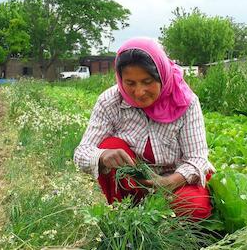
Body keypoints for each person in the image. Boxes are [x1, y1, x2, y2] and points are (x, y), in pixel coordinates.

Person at [74, 37, 215, 220]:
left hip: (174, 183)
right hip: (131, 184)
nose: (139, 92)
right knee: (110, 145)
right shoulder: (110, 102)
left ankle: (167, 233)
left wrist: (169, 182)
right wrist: (102, 156)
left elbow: (198, 159)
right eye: (130, 83)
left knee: (194, 207)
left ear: (161, 75)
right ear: (120, 78)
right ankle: (125, 217)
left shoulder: (185, 102)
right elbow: (81, 153)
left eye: (147, 81)